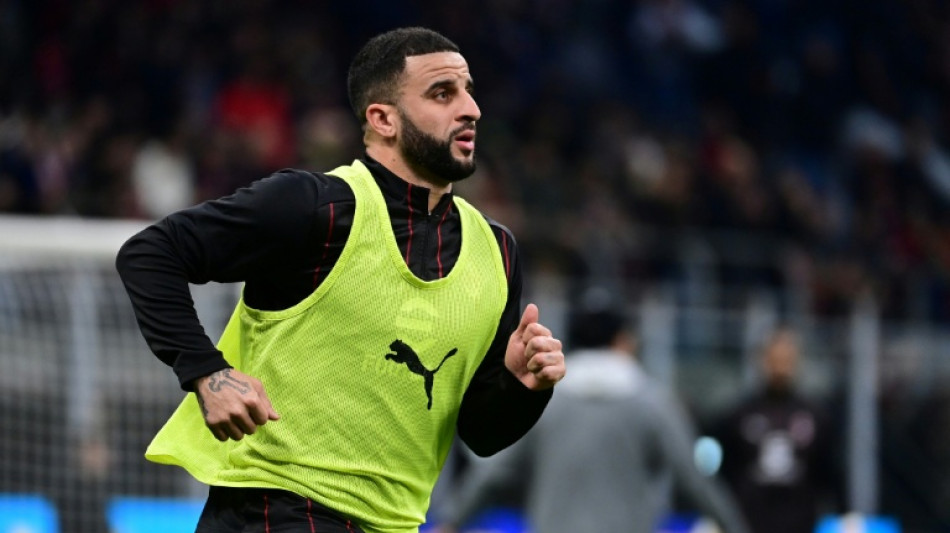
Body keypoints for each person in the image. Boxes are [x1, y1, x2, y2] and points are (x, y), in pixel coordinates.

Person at [115, 27, 566, 533]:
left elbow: (481, 433)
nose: (471, 109)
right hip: (275, 509)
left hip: (392, 524)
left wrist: (522, 387)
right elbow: (150, 253)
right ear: (383, 119)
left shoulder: (496, 252)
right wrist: (206, 372)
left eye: (468, 91)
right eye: (443, 94)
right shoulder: (317, 207)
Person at [433, 289, 751, 533]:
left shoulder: (546, 402)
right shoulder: (652, 402)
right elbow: (694, 481)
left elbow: (492, 475)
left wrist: (451, 522)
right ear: (623, 341)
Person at [711, 327, 841, 533]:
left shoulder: (816, 417)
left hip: (800, 524)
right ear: (762, 361)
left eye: (786, 360)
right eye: (775, 360)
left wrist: (844, 514)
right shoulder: (738, 416)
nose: (780, 368)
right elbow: (723, 475)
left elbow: (830, 475)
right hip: (749, 524)